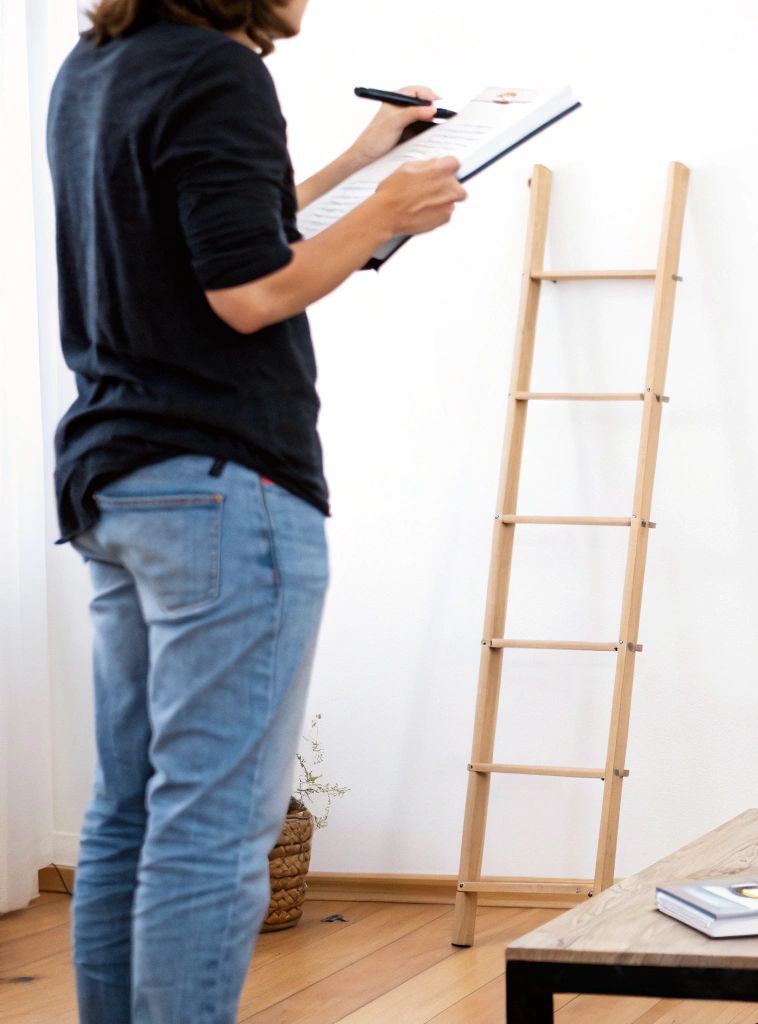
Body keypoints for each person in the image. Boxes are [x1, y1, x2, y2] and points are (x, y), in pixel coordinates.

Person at [47, 1, 466, 1020]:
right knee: (214, 824)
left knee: (130, 812)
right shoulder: (221, 74)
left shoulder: (95, 66)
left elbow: (214, 233)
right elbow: (247, 293)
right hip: (225, 480)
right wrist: (386, 214)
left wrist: (359, 163)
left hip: (120, 472)